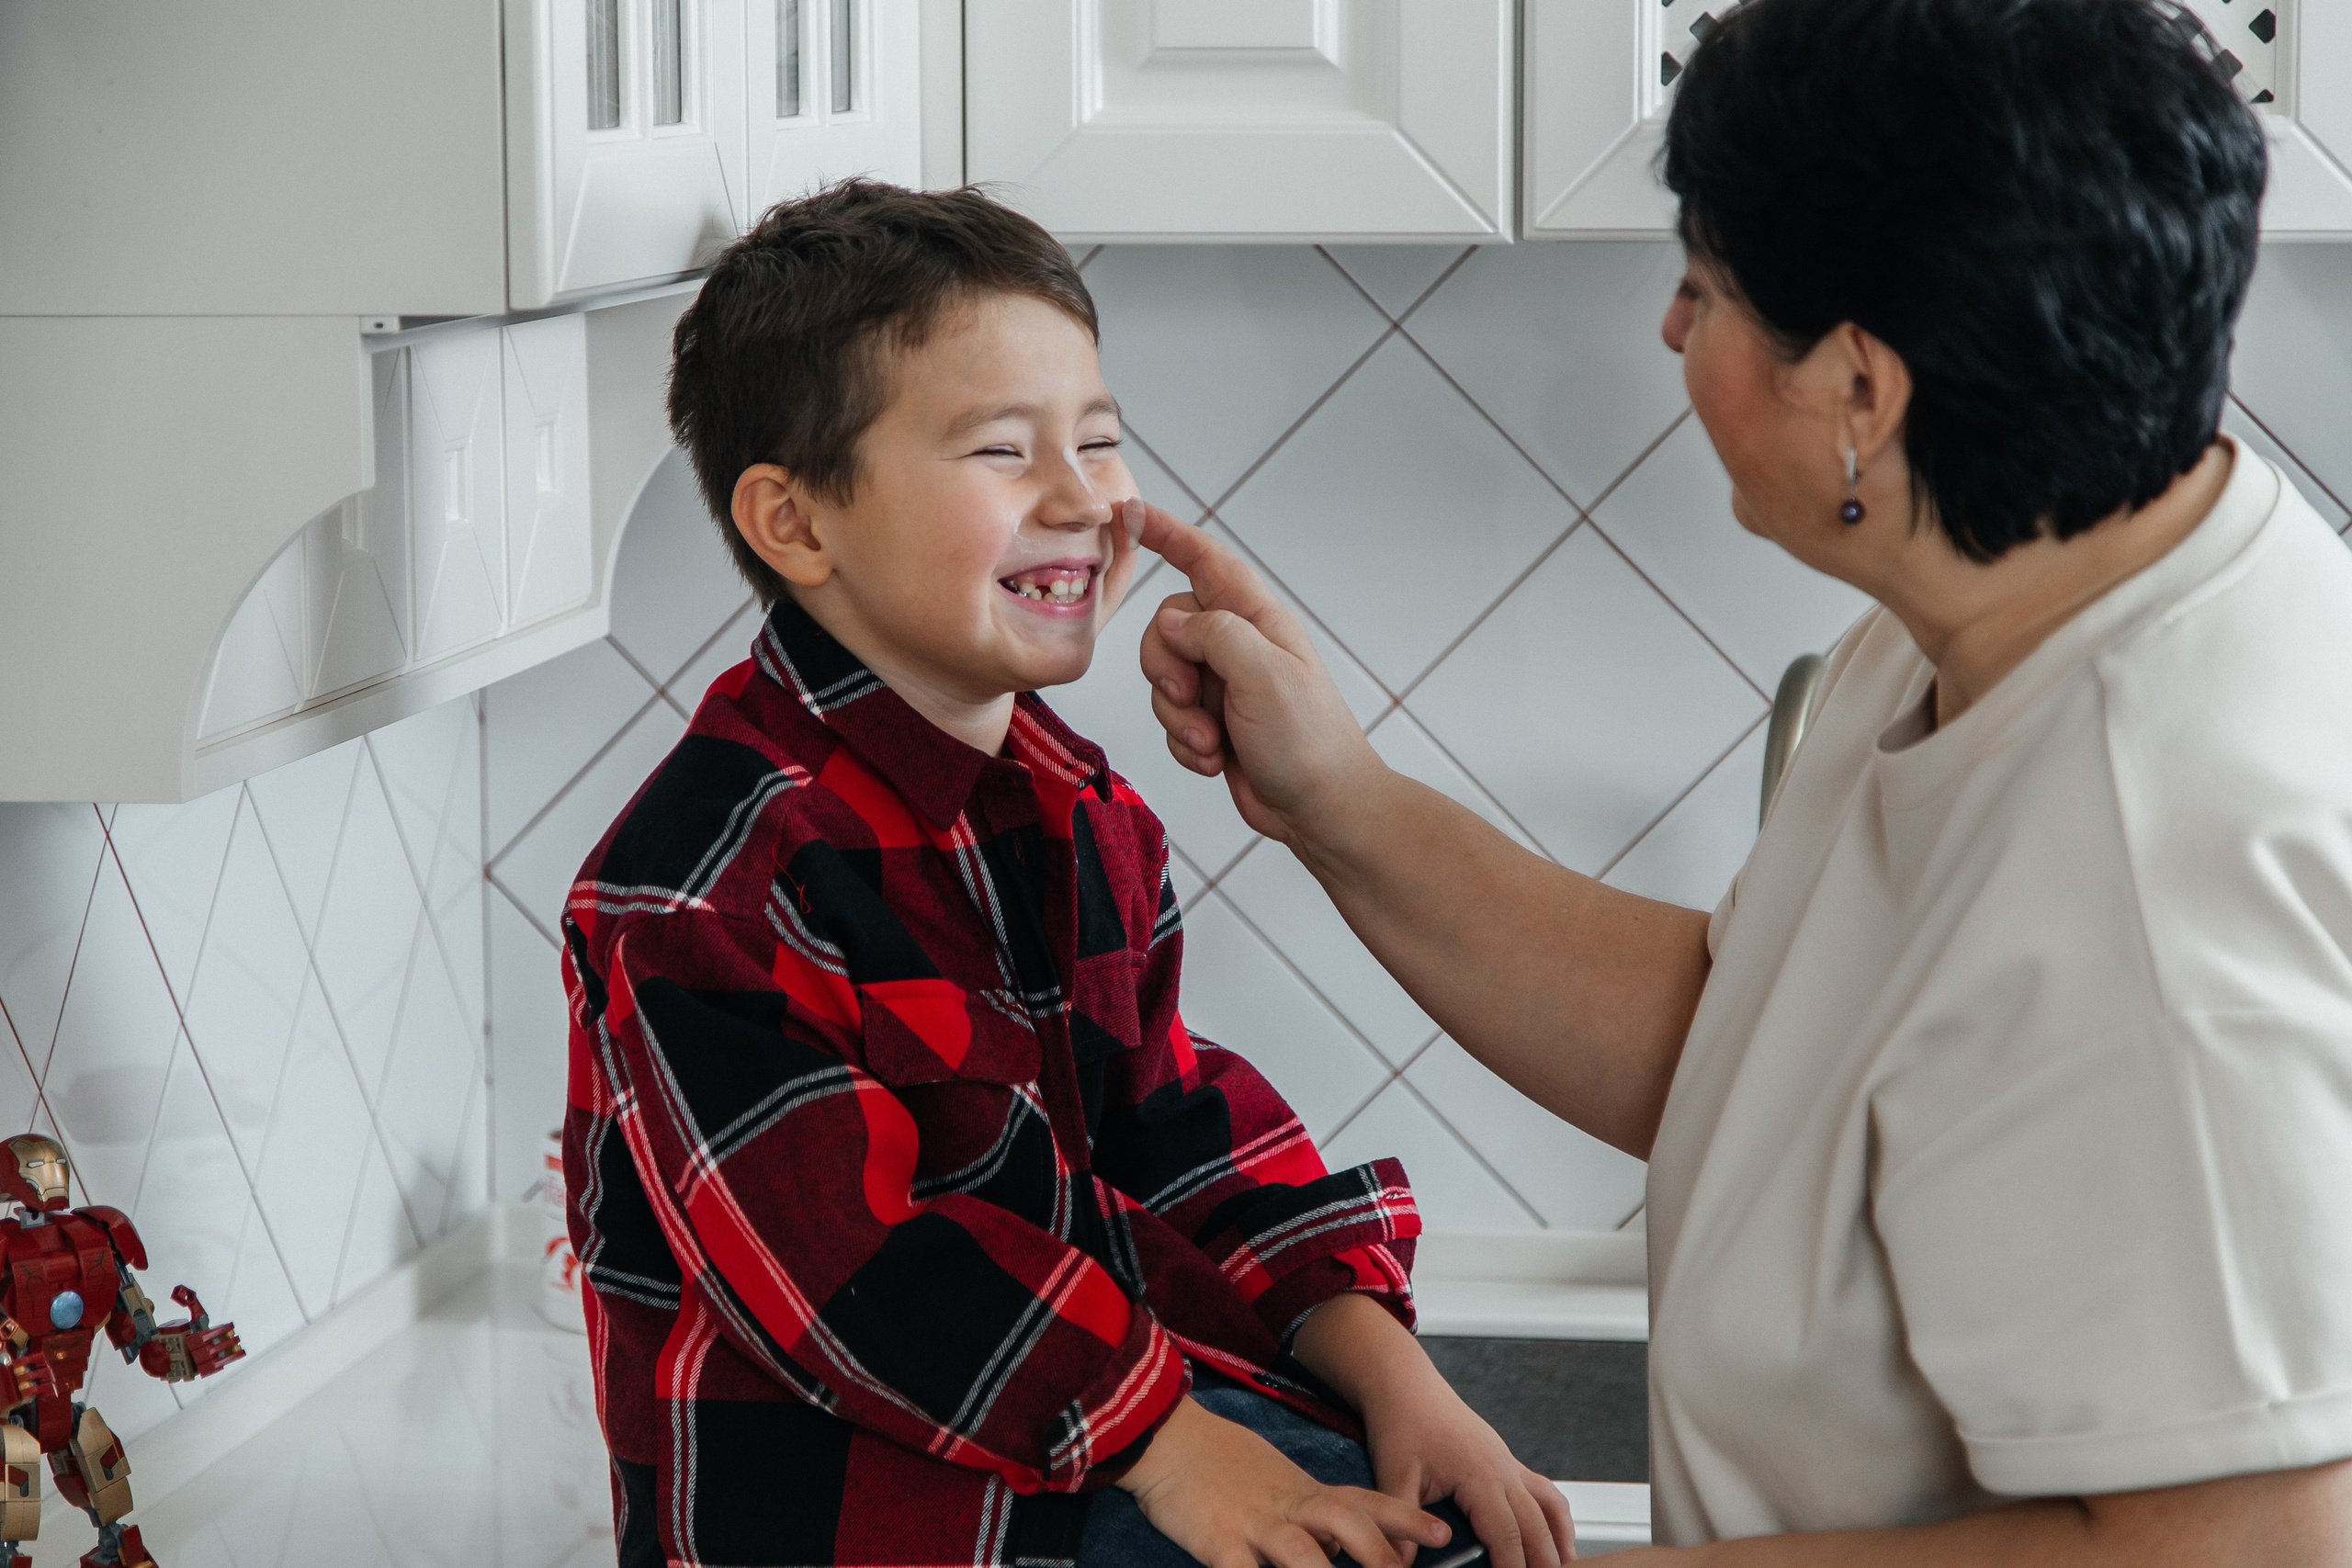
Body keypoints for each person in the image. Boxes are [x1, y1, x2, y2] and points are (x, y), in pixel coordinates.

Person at [1130, 0, 2352, 1561]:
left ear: (1861, 392)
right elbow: (1761, 1049)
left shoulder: (2159, 886)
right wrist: (1331, 795)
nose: (1668, 330)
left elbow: (2245, 1544)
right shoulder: (2015, 600)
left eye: (1703, 289)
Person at [559, 180, 1573, 1568]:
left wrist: (1395, 1374)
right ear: (795, 523)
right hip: (884, 1526)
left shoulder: (1074, 807)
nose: (1087, 498)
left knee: (1445, 1538)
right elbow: (858, 1271)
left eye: (1098, 439)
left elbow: (1170, 1134)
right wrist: (1176, 1446)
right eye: (1002, 451)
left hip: (1085, 1451)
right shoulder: (705, 886)